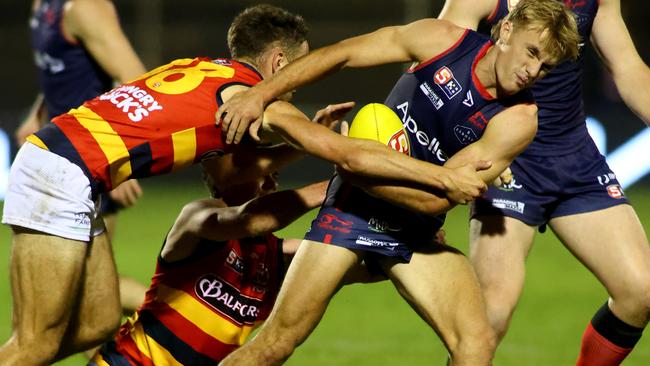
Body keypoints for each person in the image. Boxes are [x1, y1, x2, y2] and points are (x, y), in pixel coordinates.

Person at [0, 4, 488, 365]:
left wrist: (294, 150)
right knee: (37, 342)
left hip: (69, 164)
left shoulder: (198, 70)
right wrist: (441, 175)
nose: (295, 84)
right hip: (64, 172)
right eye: (296, 71)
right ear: (279, 63)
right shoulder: (262, 100)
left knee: (100, 320)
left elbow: (230, 177)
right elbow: (347, 154)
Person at [217, 1, 580, 365]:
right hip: (350, 212)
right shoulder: (443, 42)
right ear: (505, 31)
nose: (533, 71)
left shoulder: (519, 121)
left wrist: (359, 171)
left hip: (415, 232)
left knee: (476, 344)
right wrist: (259, 94)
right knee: (277, 342)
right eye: (531, 52)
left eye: (546, 66)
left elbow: (435, 202)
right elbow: (341, 55)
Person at [438, 0, 650, 364]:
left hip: (574, 157)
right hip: (506, 156)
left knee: (641, 292)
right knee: (491, 318)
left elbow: (628, 69)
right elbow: (436, 66)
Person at [20, 0, 149, 316]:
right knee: (83, 302)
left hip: (89, 163)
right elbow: (64, 69)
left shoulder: (87, 8)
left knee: (83, 295)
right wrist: (38, 112)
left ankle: (189, 321)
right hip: (60, 160)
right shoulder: (43, 5)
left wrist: (118, 160)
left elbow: (136, 80)